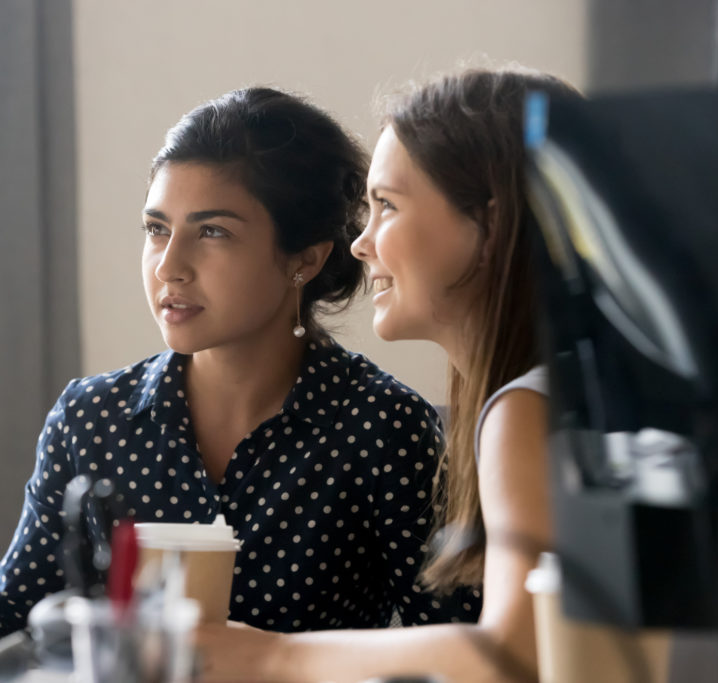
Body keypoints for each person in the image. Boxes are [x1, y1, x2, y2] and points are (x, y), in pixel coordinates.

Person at [0, 87, 476, 648]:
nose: (170, 266)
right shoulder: (91, 417)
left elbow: (446, 647)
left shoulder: (386, 430)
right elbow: (14, 617)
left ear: (306, 257)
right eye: (157, 230)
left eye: (213, 232)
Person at [196, 67, 582, 682]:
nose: (360, 243)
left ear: (490, 224)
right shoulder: (567, 390)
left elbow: (516, 655)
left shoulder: (523, 410)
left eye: (387, 206)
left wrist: (272, 655)